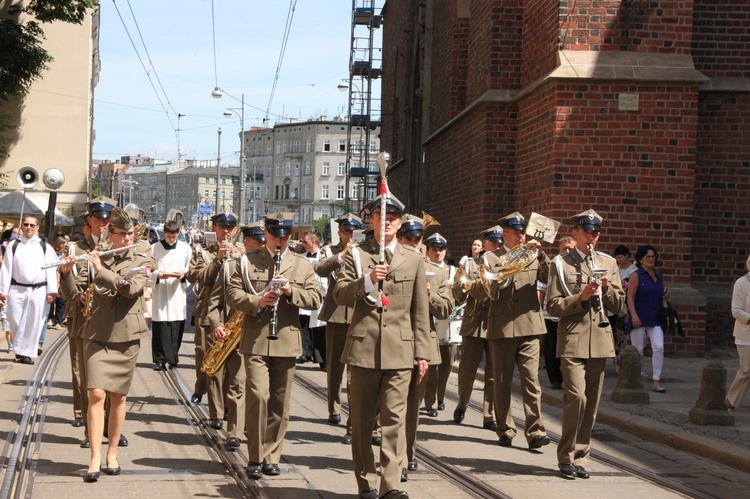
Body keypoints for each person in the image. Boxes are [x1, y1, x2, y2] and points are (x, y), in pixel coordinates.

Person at [332, 195, 431, 499]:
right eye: (380, 217)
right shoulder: (356, 255)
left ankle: (391, 487)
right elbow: (339, 294)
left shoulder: (413, 258)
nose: (386, 222)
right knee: (362, 423)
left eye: (392, 218)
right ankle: (366, 484)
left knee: (394, 420)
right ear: (371, 221)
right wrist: (365, 282)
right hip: (364, 349)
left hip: (400, 352)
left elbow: (419, 309)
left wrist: (422, 351)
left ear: (399, 223)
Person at [61, 207, 154, 482]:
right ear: (109, 234)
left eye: (130, 234)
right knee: (96, 394)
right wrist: (66, 273)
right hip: (97, 331)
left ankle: (112, 453)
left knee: (118, 397)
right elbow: (74, 294)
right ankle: (94, 457)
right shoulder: (95, 255)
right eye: (121, 234)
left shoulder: (144, 253)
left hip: (126, 334)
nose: (127, 239)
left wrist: (100, 270)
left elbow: (130, 289)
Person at [226, 213, 322, 479]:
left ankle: (272, 456)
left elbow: (316, 298)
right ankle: (255, 455)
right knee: (258, 396)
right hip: (255, 339)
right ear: (265, 234)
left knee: (280, 402)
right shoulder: (247, 261)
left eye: (285, 235)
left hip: (287, 339)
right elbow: (232, 293)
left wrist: (292, 293)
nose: (280, 240)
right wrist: (257, 301)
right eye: (275, 235)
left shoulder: (301, 265)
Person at [547, 209, 625, 479]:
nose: (591, 237)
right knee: (576, 398)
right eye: (586, 232)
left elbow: (620, 305)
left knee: (590, 403)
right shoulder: (560, 263)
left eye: (595, 233)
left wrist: (606, 288)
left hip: (600, 340)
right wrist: (580, 297)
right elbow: (553, 306)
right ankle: (565, 455)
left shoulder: (608, 263)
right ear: (576, 233)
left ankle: (581, 456)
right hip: (571, 339)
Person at [482, 212, 551, 449]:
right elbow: (485, 290)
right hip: (501, 326)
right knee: (501, 382)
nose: (521, 236)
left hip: (530, 324)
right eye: (516, 232)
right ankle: (505, 428)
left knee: (531, 381)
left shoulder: (532, 255)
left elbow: (549, 277)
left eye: (523, 231)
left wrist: (541, 256)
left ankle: (535, 432)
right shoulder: (490, 258)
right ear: (505, 234)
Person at [205, 221, 265, 452]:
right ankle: (234, 433)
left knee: (258, 387)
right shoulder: (230, 266)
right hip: (235, 334)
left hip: (261, 336)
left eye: (263, 241)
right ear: (246, 242)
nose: (261, 245)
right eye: (257, 241)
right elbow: (214, 302)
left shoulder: (274, 267)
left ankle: (254, 428)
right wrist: (217, 325)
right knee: (237, 383)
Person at [403, 231, 449, 480]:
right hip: (392, 342)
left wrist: (427, 292)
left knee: (412, 406)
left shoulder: (437, 272)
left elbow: (446, 308)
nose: (413, 241)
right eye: (407, 237)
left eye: (416, 237)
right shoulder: (388, 264)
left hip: (421, 344)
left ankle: (407, 454)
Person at [186, 212, 239, 422]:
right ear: (214, 228)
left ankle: (225, 406)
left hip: (234, 312)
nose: (226, 231)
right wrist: (218, 259)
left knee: (230, 363)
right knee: (208, 358)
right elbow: (198, 276)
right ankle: (213, 407)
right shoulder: (202, 252)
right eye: (221, 226)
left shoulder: (243, 252)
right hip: (207, 311)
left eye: (230, 227)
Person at [315, 213, 362, 436]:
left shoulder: (363, 252)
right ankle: (334, 407)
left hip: (356, 313)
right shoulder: (330, 251)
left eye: (352, 232)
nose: (349, 235)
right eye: (345, 231)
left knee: (355, 368)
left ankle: (354, 412)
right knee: (334, 365)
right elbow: (321, 268)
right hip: (335, 312)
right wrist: (342, 255)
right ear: (339, 233)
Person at [453, 226, 501, 430]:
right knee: (467, 371)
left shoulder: (504, 265)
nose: (497, 246)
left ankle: (489, 415)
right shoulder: (471, 264)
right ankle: (463, 402)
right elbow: (458, 292)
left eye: (499, 242)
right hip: (473, 323)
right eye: (493, 242)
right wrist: (469, 286)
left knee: (492, 373)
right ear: (485, 244)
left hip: (495, 323)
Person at [0, 215, 58, 365]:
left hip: (38, 289)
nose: (29, 228)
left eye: (32, 225)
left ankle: (25, 352)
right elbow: (6, 269)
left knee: (33, 321)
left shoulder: (45, 247)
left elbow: (51, 269)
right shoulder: (14, 246)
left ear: (37, 227)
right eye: (26, 225)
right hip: (17, 288)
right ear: (22, 226)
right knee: (15, 319)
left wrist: (52, 290)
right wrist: (3, 291)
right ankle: (19, 348)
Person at [627, 245, 670, 393]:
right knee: (637, 350)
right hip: (639, 316)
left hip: (654, 317)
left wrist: (665, 294)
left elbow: (663, 291)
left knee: (659, 347)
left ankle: (656, 381)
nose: (651, 259)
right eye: (648, 257)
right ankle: (635, 378)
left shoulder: (658, 274)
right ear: (640, 259)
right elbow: (630, 297)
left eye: (653, 256)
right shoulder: (636, 275)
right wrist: (633, 315)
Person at [150, 220, 192, 370]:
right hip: (160, 289)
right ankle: (160, 359)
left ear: (178, 234)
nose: (170, 239)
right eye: (168, 236)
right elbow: (148, 269)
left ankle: (173, 357)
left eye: (173, 237)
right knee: (160, 325)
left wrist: (183, 273)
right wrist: (157, 274)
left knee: (176, 324)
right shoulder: (154, 248)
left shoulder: (185, 248)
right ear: (164, 234)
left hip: (177, 291)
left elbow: (190, 267)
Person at [423, 233, 457, 417]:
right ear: (427, 251)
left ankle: (440, 396)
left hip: (448, 321)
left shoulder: (452, 271)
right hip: (431, 323)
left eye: (441, 249)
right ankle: (431, 402)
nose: (438, 252)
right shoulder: (424, 267)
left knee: (447, 363)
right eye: (434, 249)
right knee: (432, 365)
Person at [538, 236, 576, 389]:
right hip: (550, 313)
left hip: (568, 312)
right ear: (559, 248)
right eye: (564, 248)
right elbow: (542, 284)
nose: (567, 251)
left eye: (570, 248)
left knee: (567, 347)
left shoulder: (576, 265)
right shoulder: (553, 263)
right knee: (551, 346)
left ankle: (568, 376)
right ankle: (555, 379)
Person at [298, 231, 327, 369]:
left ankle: (322, 358)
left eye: (305, 242)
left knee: (319, 329)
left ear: (313, 242)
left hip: (321, 296)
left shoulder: (324, 256)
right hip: (306, 294)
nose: (303, 244)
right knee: (304, 326)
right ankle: (305, 352)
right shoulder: (302, 257)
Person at [727, 254, 750, 410]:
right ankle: (730, 402)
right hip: (745, 335)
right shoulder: (741, 283)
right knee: (747, 370)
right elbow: (736, 311)